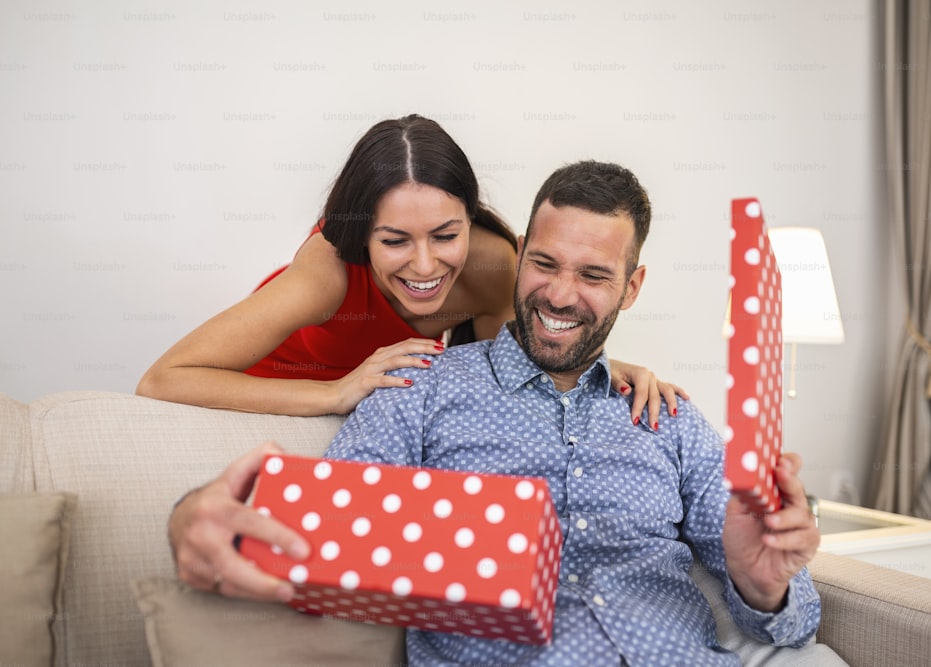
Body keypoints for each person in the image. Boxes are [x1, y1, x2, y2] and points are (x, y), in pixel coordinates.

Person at [169, 160, 821, 665]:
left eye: (593, 275)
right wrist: (192, 516)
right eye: (544, 263)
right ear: (518, 254)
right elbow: (326, 527)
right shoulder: (417, 389)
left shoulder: (670, 419)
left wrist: (766, 585)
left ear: (633, 285)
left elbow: (793, 617)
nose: (560, 295)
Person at [136, 114, 684, 423]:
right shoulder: (327, 271)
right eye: (395, 240)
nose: (426, 266)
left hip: (378, 415)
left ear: (470, 219)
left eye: (446, 235)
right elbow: (163, 380)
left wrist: (602, 367)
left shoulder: (498, 267)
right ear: (361, 233)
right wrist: (334, 393)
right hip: (264, 398)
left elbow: (514, 372)